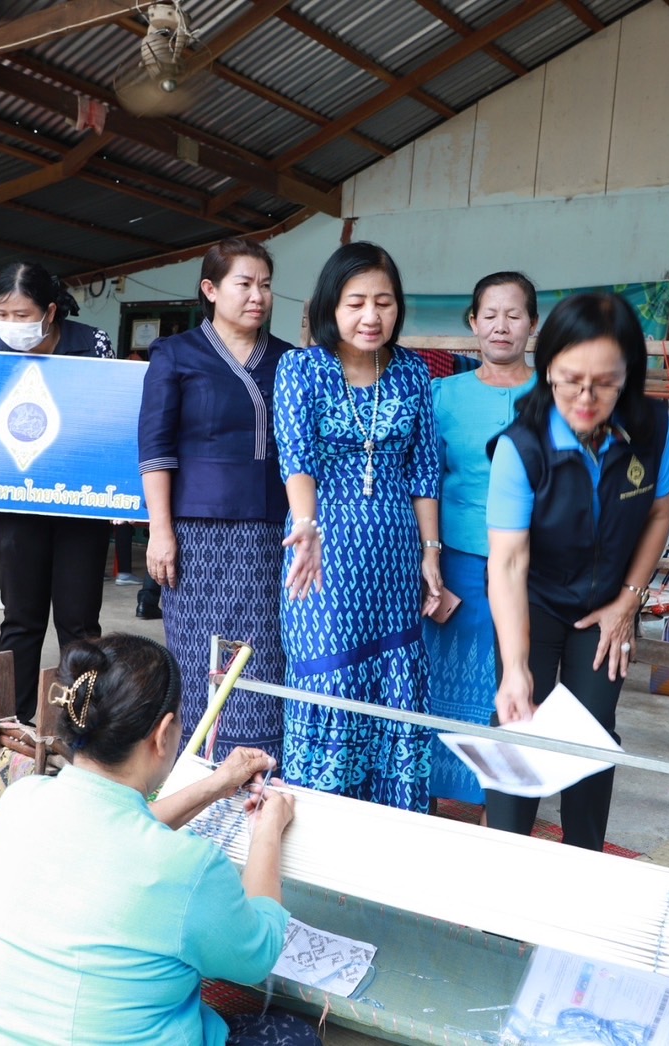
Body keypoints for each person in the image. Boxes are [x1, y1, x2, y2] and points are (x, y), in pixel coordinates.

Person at [0, 633, 319, 1046]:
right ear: (163, 733)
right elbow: (258, 954)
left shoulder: (20, 802)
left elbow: (113, 835)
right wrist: (268, 833)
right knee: (294, 1036)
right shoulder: (185, 867)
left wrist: (216, 785)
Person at [485, 292, 669, 850]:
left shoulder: (651, 425)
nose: (587, 399)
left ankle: (585, 863)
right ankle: (507, 865)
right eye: (571, 380)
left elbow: (659, 510)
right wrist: (515, 665)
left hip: (607, 606)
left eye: (606, 383)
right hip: (535, 604)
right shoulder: (521, 447)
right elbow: (509, 560)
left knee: (594, 737)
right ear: (547, 369)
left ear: (628, 376)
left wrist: (629, 600)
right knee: (521, 728)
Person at [274, 242, 441, 811]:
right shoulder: (301, 368)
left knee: (396, 679)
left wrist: (430, 551)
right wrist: (307, 527)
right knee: (330, 679)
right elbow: (295, 457)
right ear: (331, 306)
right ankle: (322, 819)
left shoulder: (413, 372)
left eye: (384, 302)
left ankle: (393, 822)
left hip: (395, 556)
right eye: (356, 302)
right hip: (324, 552)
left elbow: (423, 470)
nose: (372, 316)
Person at [139, 239, 296, 762]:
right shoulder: (176, 354)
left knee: (267, 650)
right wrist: (161, 532)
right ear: (210, 289)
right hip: (196, 533)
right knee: (196, 651)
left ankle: (260, 767)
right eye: (244, 284)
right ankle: (197, 768)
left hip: (274, 530)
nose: (258, 296)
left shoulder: (290, 362)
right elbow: (156, 451)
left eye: (266, 284)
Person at [423, 272, 538, 809]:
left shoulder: (555, 396)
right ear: (472, 323)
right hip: (454, 568)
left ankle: (506, 804)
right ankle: (437, 805)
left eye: (514, 315)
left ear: (532, 325)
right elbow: (419, 486)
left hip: (532, 570)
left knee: (513, 683)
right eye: (489, 315)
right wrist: (430, 571)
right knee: (445, 691)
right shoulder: (440, 396)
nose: (501, 326)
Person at [0, 261, 116, 723]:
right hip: (15, 502)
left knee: (79, 621)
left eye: (23, 315)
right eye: (4, 313)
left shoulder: (91, 343)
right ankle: (11, 723)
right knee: (21, 617)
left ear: (51, 311)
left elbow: (107, 418)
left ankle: (80, 720)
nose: (12, 325)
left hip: (79, 501)